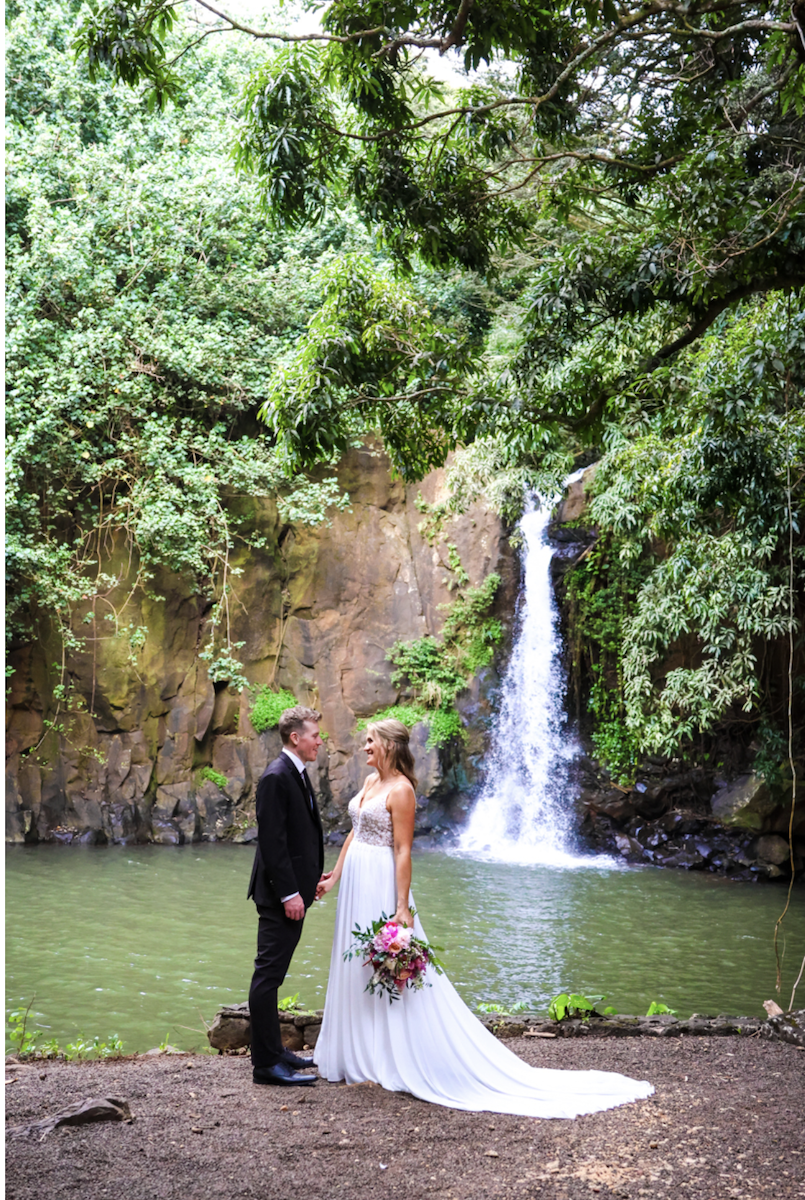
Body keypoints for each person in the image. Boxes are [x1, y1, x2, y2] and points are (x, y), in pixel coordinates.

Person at [314, 718, 654, 1117]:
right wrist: (335, 875)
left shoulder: (402, 790)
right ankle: (356, 1050)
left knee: (386, 967)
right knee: (355, 964)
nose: (365, 746)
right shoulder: (370, 783)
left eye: (371, 741)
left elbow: (403, 850)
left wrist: (401, 907)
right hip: (355, 878)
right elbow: (355, 831)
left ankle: (389, 1055)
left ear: (388, 745)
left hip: (379, 883)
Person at [247, 705, 324, 1087]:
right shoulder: (276, 776)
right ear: (296, 737)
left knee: (273, 977)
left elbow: (297, 837)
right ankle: (264, 1065)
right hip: (280, 897)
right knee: (267, 976)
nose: (319, 742)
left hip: (292, 891)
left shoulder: (294, 773)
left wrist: (310, 877)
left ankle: (276, 1052)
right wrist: (291, 893)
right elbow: (272, 843)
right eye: (314, 736)